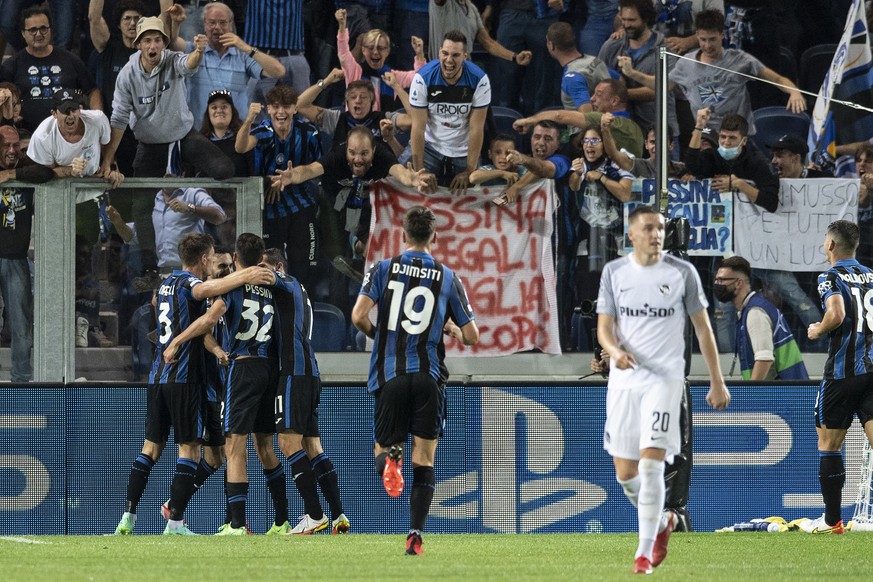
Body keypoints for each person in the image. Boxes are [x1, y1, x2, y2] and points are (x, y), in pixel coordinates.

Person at [596, 205, 730, 573]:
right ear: (632, 234)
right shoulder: (614, 272)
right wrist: (613, 351)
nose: (657, 234)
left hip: (665, 379)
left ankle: (643, 552)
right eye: (649, 228)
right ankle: (661, 523)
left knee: (652, 464)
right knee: (625, 474)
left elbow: (703, 329)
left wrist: (716, 380)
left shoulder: (682, 272)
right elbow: (604, 328)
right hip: (624, 380)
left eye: (661, 228)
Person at [113, 232, 275, 535]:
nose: (219, 266)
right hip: (187, 379)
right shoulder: (195, 285)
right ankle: (175, 521)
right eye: (214, 259)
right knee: (190, 451)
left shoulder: (164, 284)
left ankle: (129, 516)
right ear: (204, 259)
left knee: (164, 449)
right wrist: (247, 275)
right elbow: (206, 303)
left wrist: (213, 349)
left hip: (159, 377)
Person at [352, 205, 479, 556]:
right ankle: (415, 536)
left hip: (391, 374)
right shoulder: (447, 276)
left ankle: (389, 464)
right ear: (434, 236)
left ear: (403, 236)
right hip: (428, 376)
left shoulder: (382, 268)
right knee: (424, 458)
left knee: (382, 447)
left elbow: (358, 316)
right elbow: (472, 336)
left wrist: (381, 337)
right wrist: (451, 327)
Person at [101, 16, 234, 292]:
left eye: (158, 39)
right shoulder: (127, 74)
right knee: (140, 206)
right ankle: (150, 268)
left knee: (224, 171)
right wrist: (107, 158)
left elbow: (189, 65)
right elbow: (118, 119)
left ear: (164, 43)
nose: (153, 45)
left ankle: (221, 248)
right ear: (138, 44)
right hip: (150, 146)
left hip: (184, 137)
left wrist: (198, 51)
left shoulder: (172, 59)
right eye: (147, 40)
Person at [261, 248, 350, 535]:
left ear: (279, 266)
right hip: (309, 372)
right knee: (313, 446)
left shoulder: (286, 283)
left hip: (293, 373)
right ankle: (338, 515)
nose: (260, 272)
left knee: (288, 444)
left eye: (265, 267)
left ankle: (314, 515)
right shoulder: (297, 289)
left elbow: (266, 278)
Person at [616, 9, 805, 135]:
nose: (707, 45)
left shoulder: (740, 60)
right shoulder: (685, 64)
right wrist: (633, 73)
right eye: (703, 39)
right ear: (697, 35)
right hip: (705, 138)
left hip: (738, 137)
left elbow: (777, 78)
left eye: (712, 39)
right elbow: (663, 85)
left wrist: (794, 91)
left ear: (722, 35)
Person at [803, 220, 873, 534]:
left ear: (830, 245)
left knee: (829, 445)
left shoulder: (830, 276)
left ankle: (832, 521)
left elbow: (837, 314)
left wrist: (818, 329)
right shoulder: (872, 276)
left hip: (843, 374)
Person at [235, 85, 321, 291]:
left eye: (286, 106)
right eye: (275, 107)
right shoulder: (263, 131)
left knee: (304, 264)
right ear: (269, 109)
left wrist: (296, 175)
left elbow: (320, 166)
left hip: (302, 206)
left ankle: (303, 304)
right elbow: (240, 146)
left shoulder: (308, 133)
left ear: (295, 109)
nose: (281, 112)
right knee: (270, 262)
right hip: (269, 209)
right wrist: (248, 120)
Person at [0, 125, 55, 383]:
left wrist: (11, 174)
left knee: (21, 326)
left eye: (16, 146)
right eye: (6, 146)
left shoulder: (24, 165)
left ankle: (21, 383)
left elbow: (46, 172)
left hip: (15, 259)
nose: (12, 151)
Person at [176, 1, 285, 129]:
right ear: (204, 25)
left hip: (236, 135)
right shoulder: (192, 50)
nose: (217, 27)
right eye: (212, 22)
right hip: (200, 135)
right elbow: (172, 42)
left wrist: (246, 48)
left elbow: (278, 71)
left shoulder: (243, 56)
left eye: (222, 22)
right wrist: (174, 23)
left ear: (231, 25)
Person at [409, 30, 491, 192]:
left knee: (473, 191)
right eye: (445, 53)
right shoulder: (422, 78)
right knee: (406, 181)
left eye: (455, 55)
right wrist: (420, 173)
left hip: (463, 149)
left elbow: (476, 129)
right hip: (430, 146)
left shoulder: (480, 80)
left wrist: (469, 170)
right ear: (439, 53)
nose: (449, 60)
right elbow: (418, 128)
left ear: (465, 56)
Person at [0, 5, 102, 133]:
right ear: (23, 33)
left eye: (43, 28)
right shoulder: (11, 65)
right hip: (27, 137)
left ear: (51, 30)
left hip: (68, 135)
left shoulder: (71, 60)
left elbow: (92, 90)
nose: (38, 34)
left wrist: (97, 120)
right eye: (32, 30)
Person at [715, 256, 808, 380]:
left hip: (783, 395)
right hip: (787, 392)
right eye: (717, 280)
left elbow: (764, 359)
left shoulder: (755, 313)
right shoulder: (752, 308)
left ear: (739, 283)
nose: (717, 284)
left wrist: (752, 395)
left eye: (722, 280)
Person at [513, 78, 645, 158]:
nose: (592, 99)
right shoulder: (636, 128)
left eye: (598, 94)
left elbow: (560, 116)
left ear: (614, 101)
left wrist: (529, 121)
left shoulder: (612, 122)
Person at [295, 70, 408, 157]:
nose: (358, 100)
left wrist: (396, 86)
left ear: (372, 102)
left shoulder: (385, 120)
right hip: (345, 181)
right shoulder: (336, 119)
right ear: (347, 103)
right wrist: (326, 81)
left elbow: (415, 118)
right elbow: (299, 105)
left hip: (378, 181)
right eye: (353, 97)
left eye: (363, 97)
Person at [335, 8, 425, 112]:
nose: (375, 52)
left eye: (380, 48)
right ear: (363, 50)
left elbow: (420, 79)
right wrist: (342, 27)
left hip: (384, 125)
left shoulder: (394, 77)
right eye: (370, 48)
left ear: (387, 51)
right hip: (356, 126)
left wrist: (419, 55)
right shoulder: (354, 72)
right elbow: (343, 53)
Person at [597, 0, 663, 132]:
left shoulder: (665, 49)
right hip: (619, 130)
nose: (626, 25)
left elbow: (660, 89)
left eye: (632, 20)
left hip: (658, 130)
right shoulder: (611, 46)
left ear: (646, 19)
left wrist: (617, 94)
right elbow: (599, 82)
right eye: (624, 19)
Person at [152, 181, 227, 272]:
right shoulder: (158, 197)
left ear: (181, 175)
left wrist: (190, 207)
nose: (167, 174)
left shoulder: (192, 193)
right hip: (164, 271)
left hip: (191, 270)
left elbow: (220, 216)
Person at [546, 21, 611, 115]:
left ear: (551, 45)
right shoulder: (596, 61)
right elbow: (618, 85)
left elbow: (587, 118)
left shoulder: (572, 78)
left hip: (584, 129)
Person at [601, 112, 685, 179]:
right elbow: (614, 155)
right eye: (652, 142)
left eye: (661, 142)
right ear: (646, 145)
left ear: (671, 145)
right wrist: (605, 129)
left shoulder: (682, 169)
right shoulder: (639, 165)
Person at [199, 89, 252, 178]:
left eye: (224, 107)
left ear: (232, 111)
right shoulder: (199, 143)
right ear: (208, 113)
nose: (219, 110)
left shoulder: (244, 140)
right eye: (214, 107)